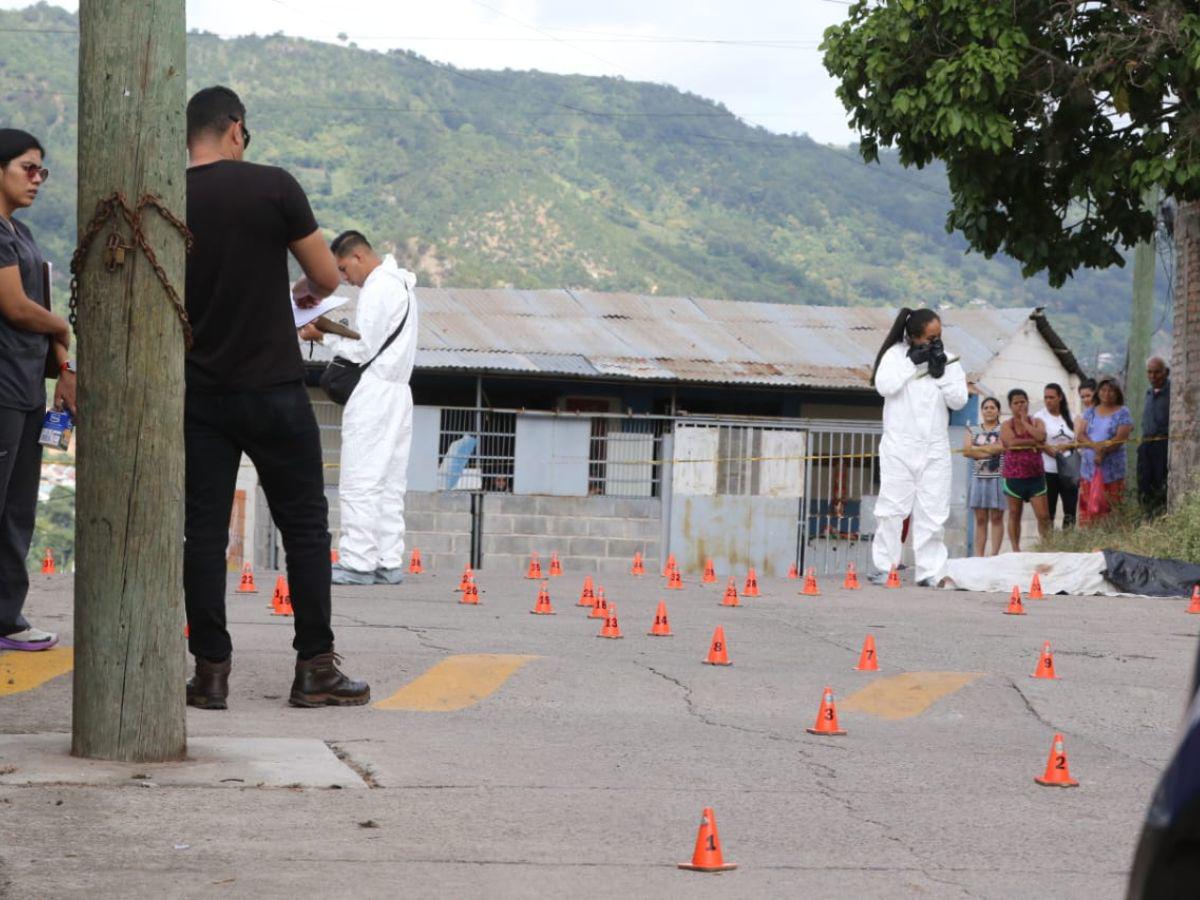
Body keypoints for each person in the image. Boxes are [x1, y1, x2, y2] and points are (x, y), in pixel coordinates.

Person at [184, 86, 368, 709]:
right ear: (236, 129)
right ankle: (315, 667)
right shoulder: (274, 186)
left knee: (204, 535)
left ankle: (210, 673)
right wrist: (308, 295)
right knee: (306, 530)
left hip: (201, 394)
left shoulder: (169, 194)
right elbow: (323, 276)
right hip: (272, 390)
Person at [298, 231, 418, 585]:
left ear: (359, 257)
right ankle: (387, 559)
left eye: (344, 269)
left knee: (360, 479)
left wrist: (321, 335)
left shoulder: (378, 288)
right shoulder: (403, 286)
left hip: (375, 392)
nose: (345, 278)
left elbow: (361, 347)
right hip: (399, 392)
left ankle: (358, 561)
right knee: (390, 481)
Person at [0, 129, 74, 652]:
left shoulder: (19, 233)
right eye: (27, 168)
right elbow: (16, 305)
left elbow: (36, 300)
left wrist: (63, 364)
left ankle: (7, 616)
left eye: (41, 171)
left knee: (17, 509)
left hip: (26, 387)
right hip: (2, 387)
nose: (37, 179)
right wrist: (62, 326)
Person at [868, 307, 968, 586]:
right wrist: (911, 363)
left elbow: (959, 400)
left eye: (939, 336)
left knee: (933, 511)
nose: (936, 342)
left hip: (935, 446)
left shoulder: (948, 360)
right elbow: (884, 386)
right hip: (899, 444)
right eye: (930, 338)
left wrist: (941, 374)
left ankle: (930, 570)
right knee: (891, 508)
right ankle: (885, 566)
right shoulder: (894, 356)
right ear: (914, 337)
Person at [1075, 375, 1134, 525]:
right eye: (1103, 390)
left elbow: (1121, 437)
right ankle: (1089, 541)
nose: (1106, 394)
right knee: (1088, 508)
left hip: (1112, 471)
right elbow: (1081, 435)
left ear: (1117, 393)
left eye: (1111, 390)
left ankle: (1110, 541)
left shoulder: (1123, 412)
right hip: (1089, 469)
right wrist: (1096, 448)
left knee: (1111, 508)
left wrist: (1103, 451)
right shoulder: (1090, 412)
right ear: (1098, 392)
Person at [1000, 388, 1049, 552]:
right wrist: (1033, 443)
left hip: (1036, 477)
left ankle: (1045, 546)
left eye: (1023, 401)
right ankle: (1016, 550)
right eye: (1016, 403)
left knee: (1043, 516)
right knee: (1014, 514)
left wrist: (1025, 422)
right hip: (1014, 478)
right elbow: (1011, 443)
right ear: (1010, 405)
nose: (1020, 405)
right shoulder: (1006, 425)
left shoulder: (1037, 421)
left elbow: (1041, 436)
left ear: (1028, 402)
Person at [962, 396, 1005, 556]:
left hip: (998, 478)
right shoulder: (972, 429)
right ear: (982, 411)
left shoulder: (1004, 428)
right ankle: (978, 557)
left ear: (998, 411)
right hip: (978, 478)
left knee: (996, 518)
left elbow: (1002, 448)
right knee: (980, 519)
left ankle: (994, 555)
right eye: (986, 407)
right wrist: (991, 448)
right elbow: (967, 451)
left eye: (992, 407)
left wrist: (978, 450)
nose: (989, 410)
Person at [1033, 383, 1078, 528]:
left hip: (1069, 469)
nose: (1048, 401)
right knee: (1048, 512)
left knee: (1070, 510)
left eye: (1051, 397)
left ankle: (1068, 544)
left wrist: (1068, 446)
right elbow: (1037, 441)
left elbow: (1078, 440)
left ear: (1060, 397)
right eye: (1046, 397)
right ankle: (1049, 545)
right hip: (1048, 470)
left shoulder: (1071, 416)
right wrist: (1051, 452)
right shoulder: (1039, 416)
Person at [1137, 357, 1170, 518]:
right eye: (1149, 372)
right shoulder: (1149, 392)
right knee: (1144, 484)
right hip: (1146, 444)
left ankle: (1160, 517)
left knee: (1160, 483)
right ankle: (1146, 518)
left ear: (1166, 372)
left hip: (1162, 446)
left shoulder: (1172, 391)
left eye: (1157, 372)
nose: (1153, 376)